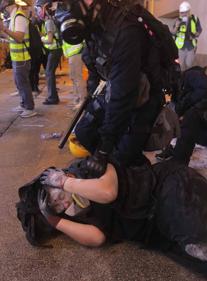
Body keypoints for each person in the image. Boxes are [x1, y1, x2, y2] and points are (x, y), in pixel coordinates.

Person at [37, 158, 207, 270]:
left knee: (204, 240)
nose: (64, 203)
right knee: (202, 255)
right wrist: (53, 219)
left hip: (169, 187)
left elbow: (108, 192)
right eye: (58, 206)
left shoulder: (89, 167)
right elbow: (96, 238)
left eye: (60, 197)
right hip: (155, 223)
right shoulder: (77, 210)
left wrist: (64, 183)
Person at [54, 0, 169, 176]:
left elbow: (124, 96)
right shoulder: (94, 25)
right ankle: (113, 167)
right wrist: (92, 100)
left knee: (120, 158)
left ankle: (135, 175)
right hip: (119, 88)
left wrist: (104, 149)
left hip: (144, 97)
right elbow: (94, 67)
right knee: (84, 131)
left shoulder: (124, 29)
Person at [156, 66, 207, 164]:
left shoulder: (191, 75)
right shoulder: (174, 94)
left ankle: (178, 161)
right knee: (193, 132)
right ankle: (174, 152)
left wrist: (186, 102)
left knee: (191, 116)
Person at [0, 0, 37, 118]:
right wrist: (3, 33)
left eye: (4, 9)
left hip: (22, 57)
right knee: (19, 82)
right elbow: (13, 37)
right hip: (17, 57)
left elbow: (19, 37)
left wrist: (5, 30)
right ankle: (23, 104)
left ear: (8, 6)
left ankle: (30, 108)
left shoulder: (19, 17)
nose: (4, 12)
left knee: (23, 83)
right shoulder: (15, 17)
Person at [35, 0, 62, 105]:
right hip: (54, 50)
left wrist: (41, 38)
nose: (37, 12)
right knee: (49, 73)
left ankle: (53, 98)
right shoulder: (49, 20)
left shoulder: (48, 21)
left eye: (38, 9)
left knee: (49, 73)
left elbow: (50, 40)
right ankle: (53, 97)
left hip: (55, 50)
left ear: (43, 8)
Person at [172, 1, 202, 71]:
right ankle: (180, 80)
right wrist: (176, 26)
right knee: (180, 66)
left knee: (189, 65)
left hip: (191, 46)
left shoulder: (195, 19)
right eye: (181, 13)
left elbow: (199, 30)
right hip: (180, 47)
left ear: (189, 11)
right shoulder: (178, 20)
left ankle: (187, 79)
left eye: (185, 12)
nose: (183, 14)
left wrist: (194, 35)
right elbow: (173, 33)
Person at [62, 40, 86, 108]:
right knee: (73, 78)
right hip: (72, 54)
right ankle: (77, 99)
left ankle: (82, 100)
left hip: (76, 53)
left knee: (78, 78)